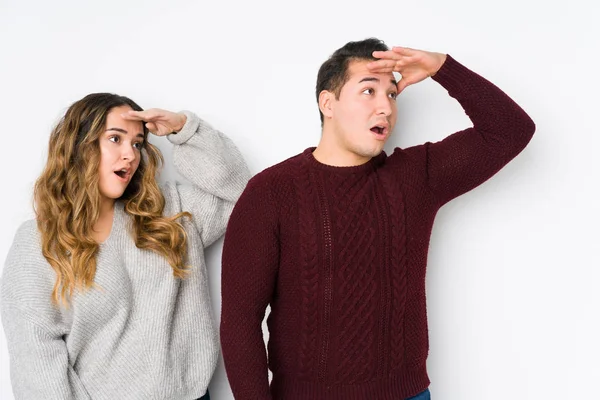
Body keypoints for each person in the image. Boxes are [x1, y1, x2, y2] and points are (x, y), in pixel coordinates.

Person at [220, 38, 535, 399]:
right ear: (328, 103)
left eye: (392, 94)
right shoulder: (271, 193)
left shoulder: (416, 177)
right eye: (368, 91)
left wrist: (442, 67)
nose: (384, 107)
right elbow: (240, 323)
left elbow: (510, 131)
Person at [0, 93, 250, 399]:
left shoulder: (169, 211)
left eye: (136, 143)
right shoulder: (38, 244)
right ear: (79, 146)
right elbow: (36, 365)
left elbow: (243, 195)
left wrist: (184, 130)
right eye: (115, 138)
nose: (130, 155)